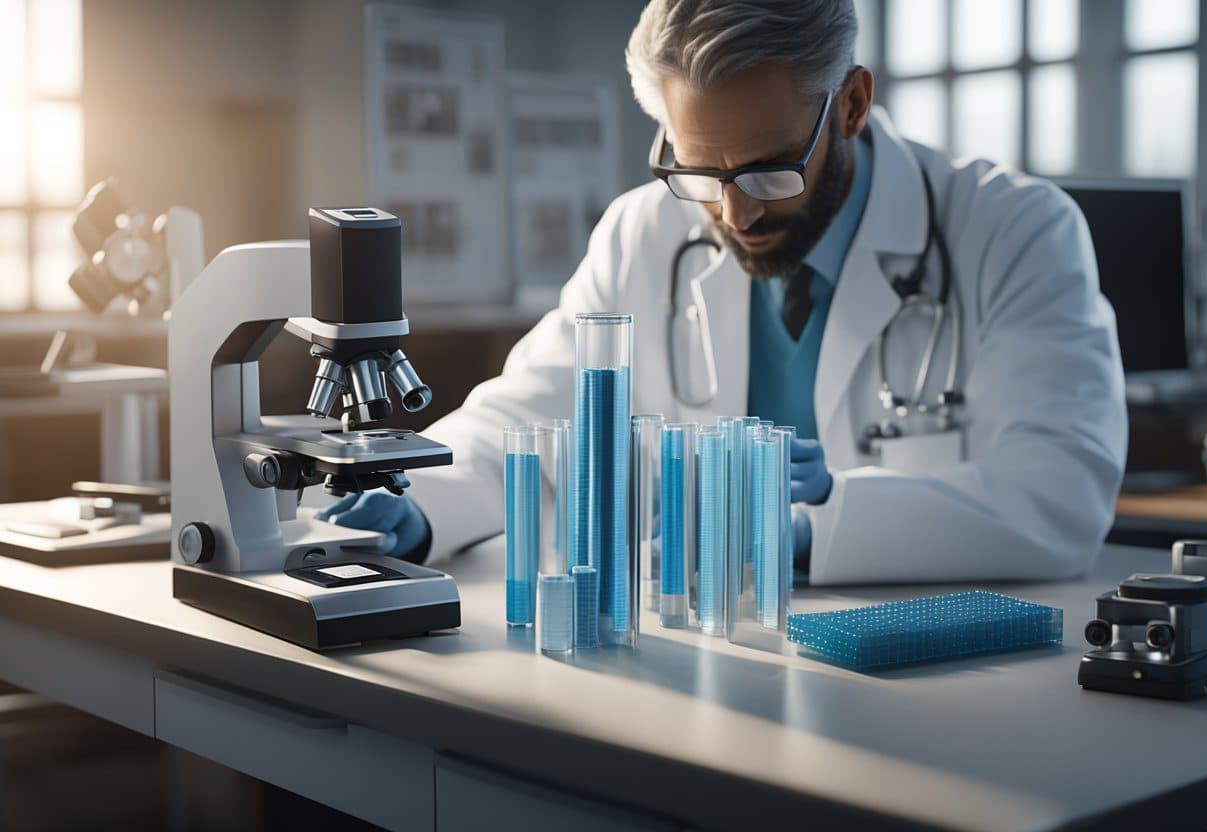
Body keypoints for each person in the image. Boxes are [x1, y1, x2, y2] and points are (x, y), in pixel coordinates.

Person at [318, 0, 1127, 584]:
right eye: (698, 171)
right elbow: (529, 419)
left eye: (768, 169)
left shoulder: (1014, 230)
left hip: (938, 684)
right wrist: (420, 505)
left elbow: (1056, 494)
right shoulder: (644, 229)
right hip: (715, 659)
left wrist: (812, 528)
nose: (735, 211)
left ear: (850, 105)